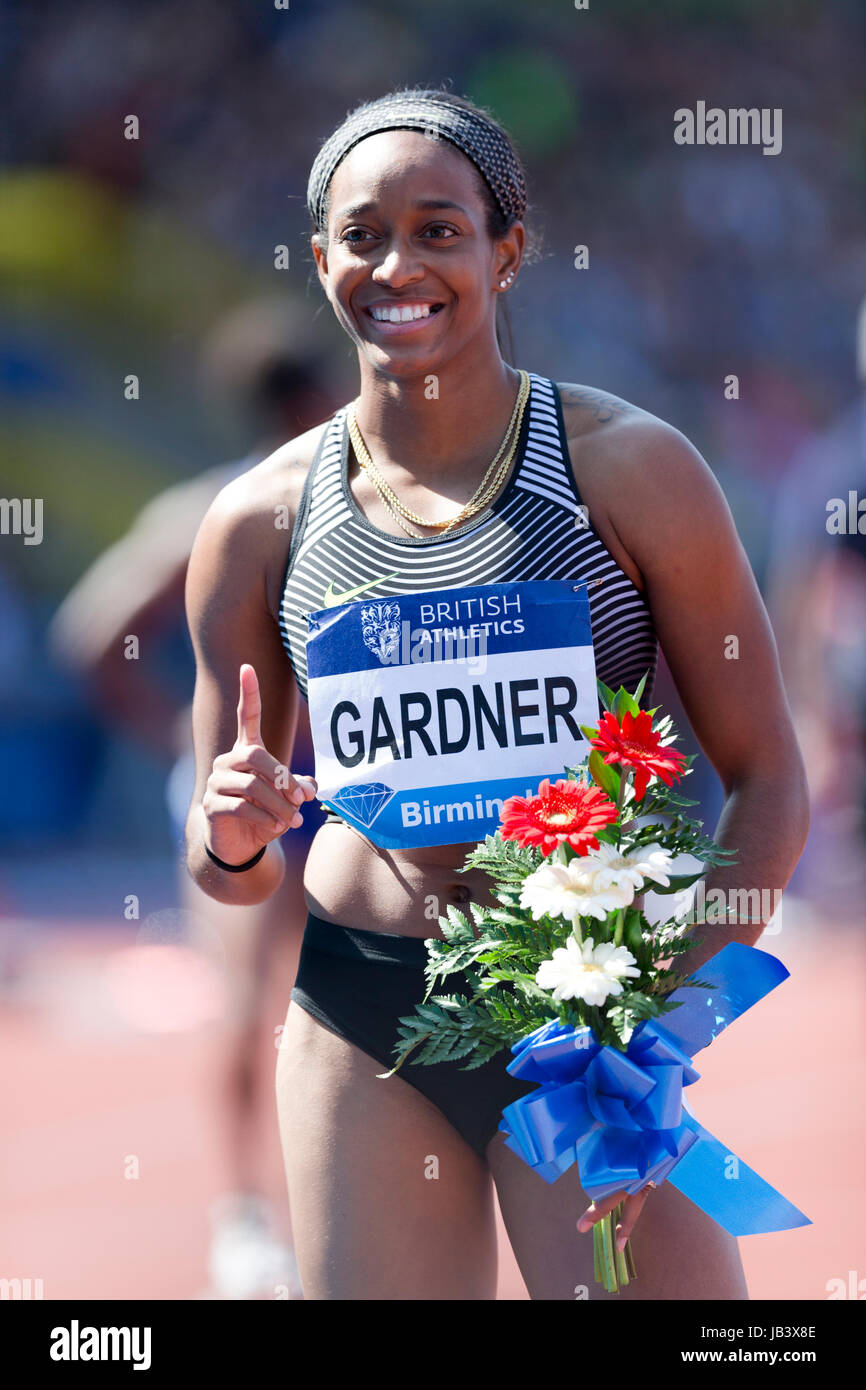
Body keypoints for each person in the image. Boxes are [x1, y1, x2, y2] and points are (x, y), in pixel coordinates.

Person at [184, 86, 810, 1300]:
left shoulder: (626, 468)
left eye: (438, 229)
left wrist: (665, 1014)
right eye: (361, 235)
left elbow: (767, 779)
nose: (397, 264)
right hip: (362, 1010)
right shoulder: (256, 522)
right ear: (320, 261)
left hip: (582, 1019)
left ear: (505, 251)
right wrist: (233, 832)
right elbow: (227, 869)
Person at [48, 303, 336, 1298]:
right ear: (316, 396)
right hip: (292, 789)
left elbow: (89, 634)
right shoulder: (259, 505)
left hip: (256, 783)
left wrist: (177, 731)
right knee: (291, 1000)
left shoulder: (205, 504)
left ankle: (256, 1219)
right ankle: (264, 1220)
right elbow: (93, 633)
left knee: (262, 1001)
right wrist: (180, 729)